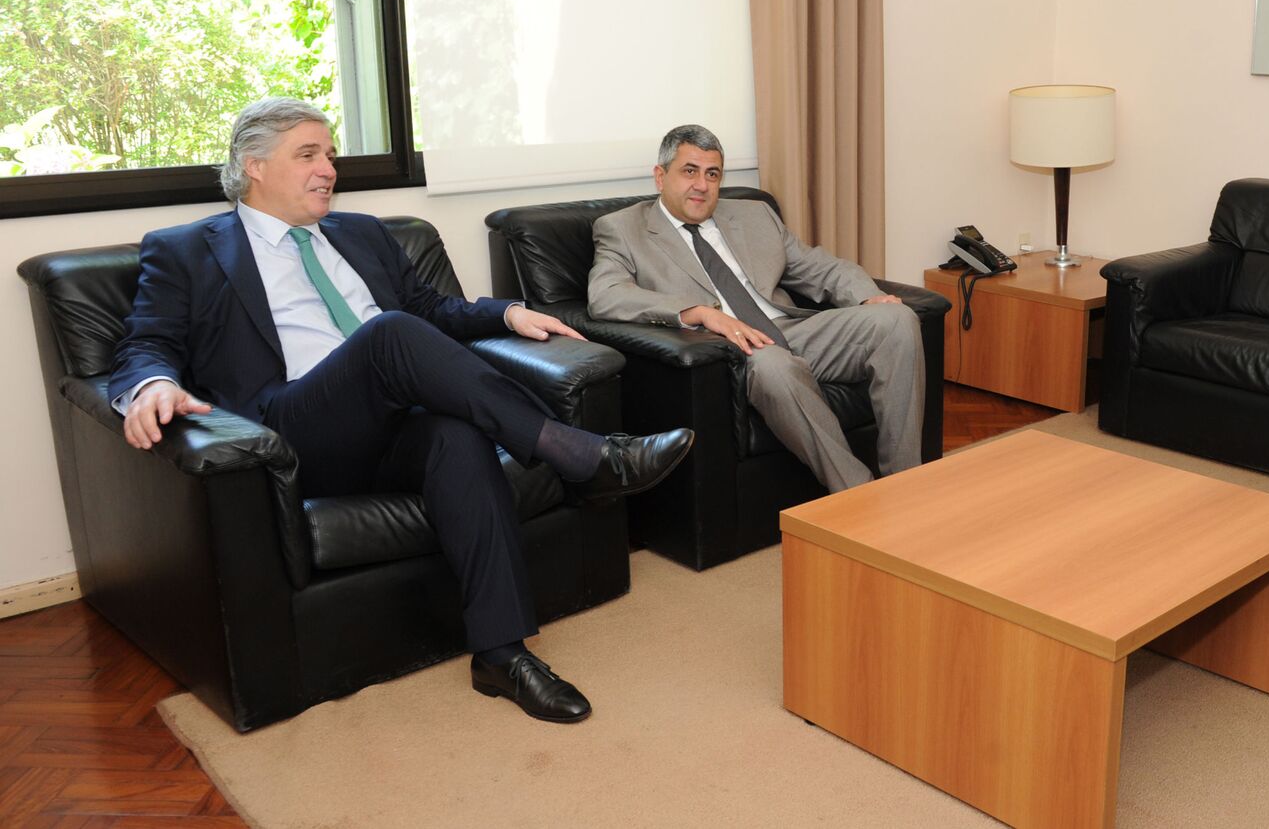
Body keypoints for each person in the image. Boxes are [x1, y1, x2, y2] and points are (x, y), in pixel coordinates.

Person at [110, 97, 696, 725]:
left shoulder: (361, 232)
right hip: (293, 429)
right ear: (253, 165)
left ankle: (501, 654)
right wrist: (151, 385)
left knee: (456, 436)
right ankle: (583, 455)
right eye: (307, 155)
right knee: (388, 333)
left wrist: (507, 313)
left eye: (330, 155)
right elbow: (146, 342)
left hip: (390, 424)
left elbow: (430, 309)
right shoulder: (186, 251)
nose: (328, 169)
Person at [586, 124, 924, 492]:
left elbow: (820, 267)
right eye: (689, 171)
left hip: (793, 330)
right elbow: (605, 294)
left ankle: (905, 486)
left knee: (897, 320)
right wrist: (697, 311)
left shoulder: (755, 215)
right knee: (774, 364)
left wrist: (867, 295)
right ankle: (857, 494)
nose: (702, 185)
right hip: (733, 350)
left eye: (712, 174)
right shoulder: (623, 229)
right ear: (660, 176)